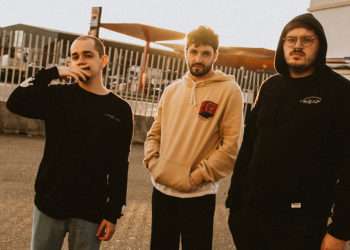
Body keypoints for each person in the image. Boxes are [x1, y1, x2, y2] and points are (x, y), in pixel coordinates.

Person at [226, 13, 350, 250]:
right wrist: (235, 205)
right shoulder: (270, 87)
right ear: (282, 45)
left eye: (306, 40)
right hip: (252, 220)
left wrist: (340, 231)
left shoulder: (340, 92)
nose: (297, 46)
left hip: (304, 225)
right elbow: (249, 148)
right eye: (291, 39)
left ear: (320, 45)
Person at [6, 35, 133, 250]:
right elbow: (15, 101)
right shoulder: (58, 97)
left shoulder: (120, 109)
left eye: (88, 55)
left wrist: (112, 213)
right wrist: (53, 73)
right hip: (49, 204)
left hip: (90, 210)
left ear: (104, 60)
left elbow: (120, 164)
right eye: (75, 56)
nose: (81, 60)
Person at [144, 26, 244, 250]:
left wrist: (197, 177)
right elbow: (154, 132)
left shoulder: (230, 91)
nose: (198, 58)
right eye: (194, 51)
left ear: (215, 55)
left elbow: (231, 145)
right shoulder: (171, 90)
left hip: (198, 195)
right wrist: (152, 162)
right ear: (186, 52)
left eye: (206, 53)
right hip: (161, 191)